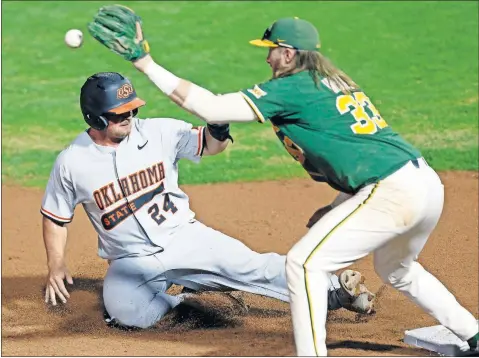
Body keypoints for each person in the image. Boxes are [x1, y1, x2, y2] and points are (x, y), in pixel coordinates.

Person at [88, 5, 479, 355]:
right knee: (398, 269)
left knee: (302, 265)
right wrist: (336, 207)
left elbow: (207, 106)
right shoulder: (331, 82)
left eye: (270, 49)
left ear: (288, 53)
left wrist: (144, 62)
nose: (268, 56)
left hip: (391, 191)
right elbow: (359, 152)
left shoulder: (292, 87)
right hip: (423, 182)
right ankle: (472, 335)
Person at [41, 71, 375, 330]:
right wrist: (56, 264)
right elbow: (56, 217)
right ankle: (190, 302)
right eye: (119, 113)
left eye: (132, 109)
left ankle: (336, 290)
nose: (128, 116)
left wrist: (217, 127)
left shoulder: (158, 132)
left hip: (185, 238)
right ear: (96, 118)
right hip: (131, 260)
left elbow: (210, 146)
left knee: (250, 267)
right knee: (126, 313)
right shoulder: (72, 161)